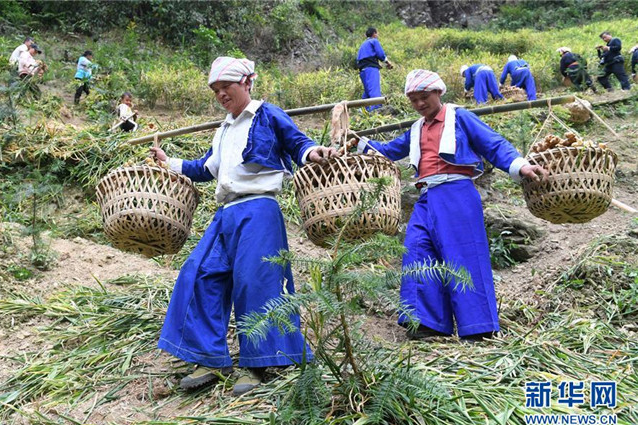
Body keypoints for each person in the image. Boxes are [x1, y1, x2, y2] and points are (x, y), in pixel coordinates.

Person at [150, 56, 337, 395]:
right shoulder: (224, 129)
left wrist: (313, 153)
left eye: (227, 87)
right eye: (216, 90)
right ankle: (209, 356)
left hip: (259, 209)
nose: (221, 94)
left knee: (256, 282)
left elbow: (298, 143)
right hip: (226, 212)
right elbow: (206, 168)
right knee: (200, 272)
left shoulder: (268, 114)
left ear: (247, 83)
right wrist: (169, 162)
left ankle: (258, 362)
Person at [350, 70, 547, 342]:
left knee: (463, 255)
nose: (420, 104)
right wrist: (359, 143)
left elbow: (492, 144)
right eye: (414, 100)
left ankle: (478, 327)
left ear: (438, 92)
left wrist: (521, 166)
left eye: (424, 97)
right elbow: (389, 151)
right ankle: (426, 322)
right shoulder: (417, 129)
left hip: (456, 193)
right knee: (417, 251)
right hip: (426, 196)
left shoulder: (459, 117)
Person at [356, 27, 393, 111]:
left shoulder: (363, 45)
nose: (378, 35)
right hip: (371, 69)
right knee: (374, 89)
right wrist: (387, 62)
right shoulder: (374, 41)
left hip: (362, 70)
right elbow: (380, 54)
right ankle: (376, 109)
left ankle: (364, 110)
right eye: (377, 33)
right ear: (374, 34)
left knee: (367, 91)